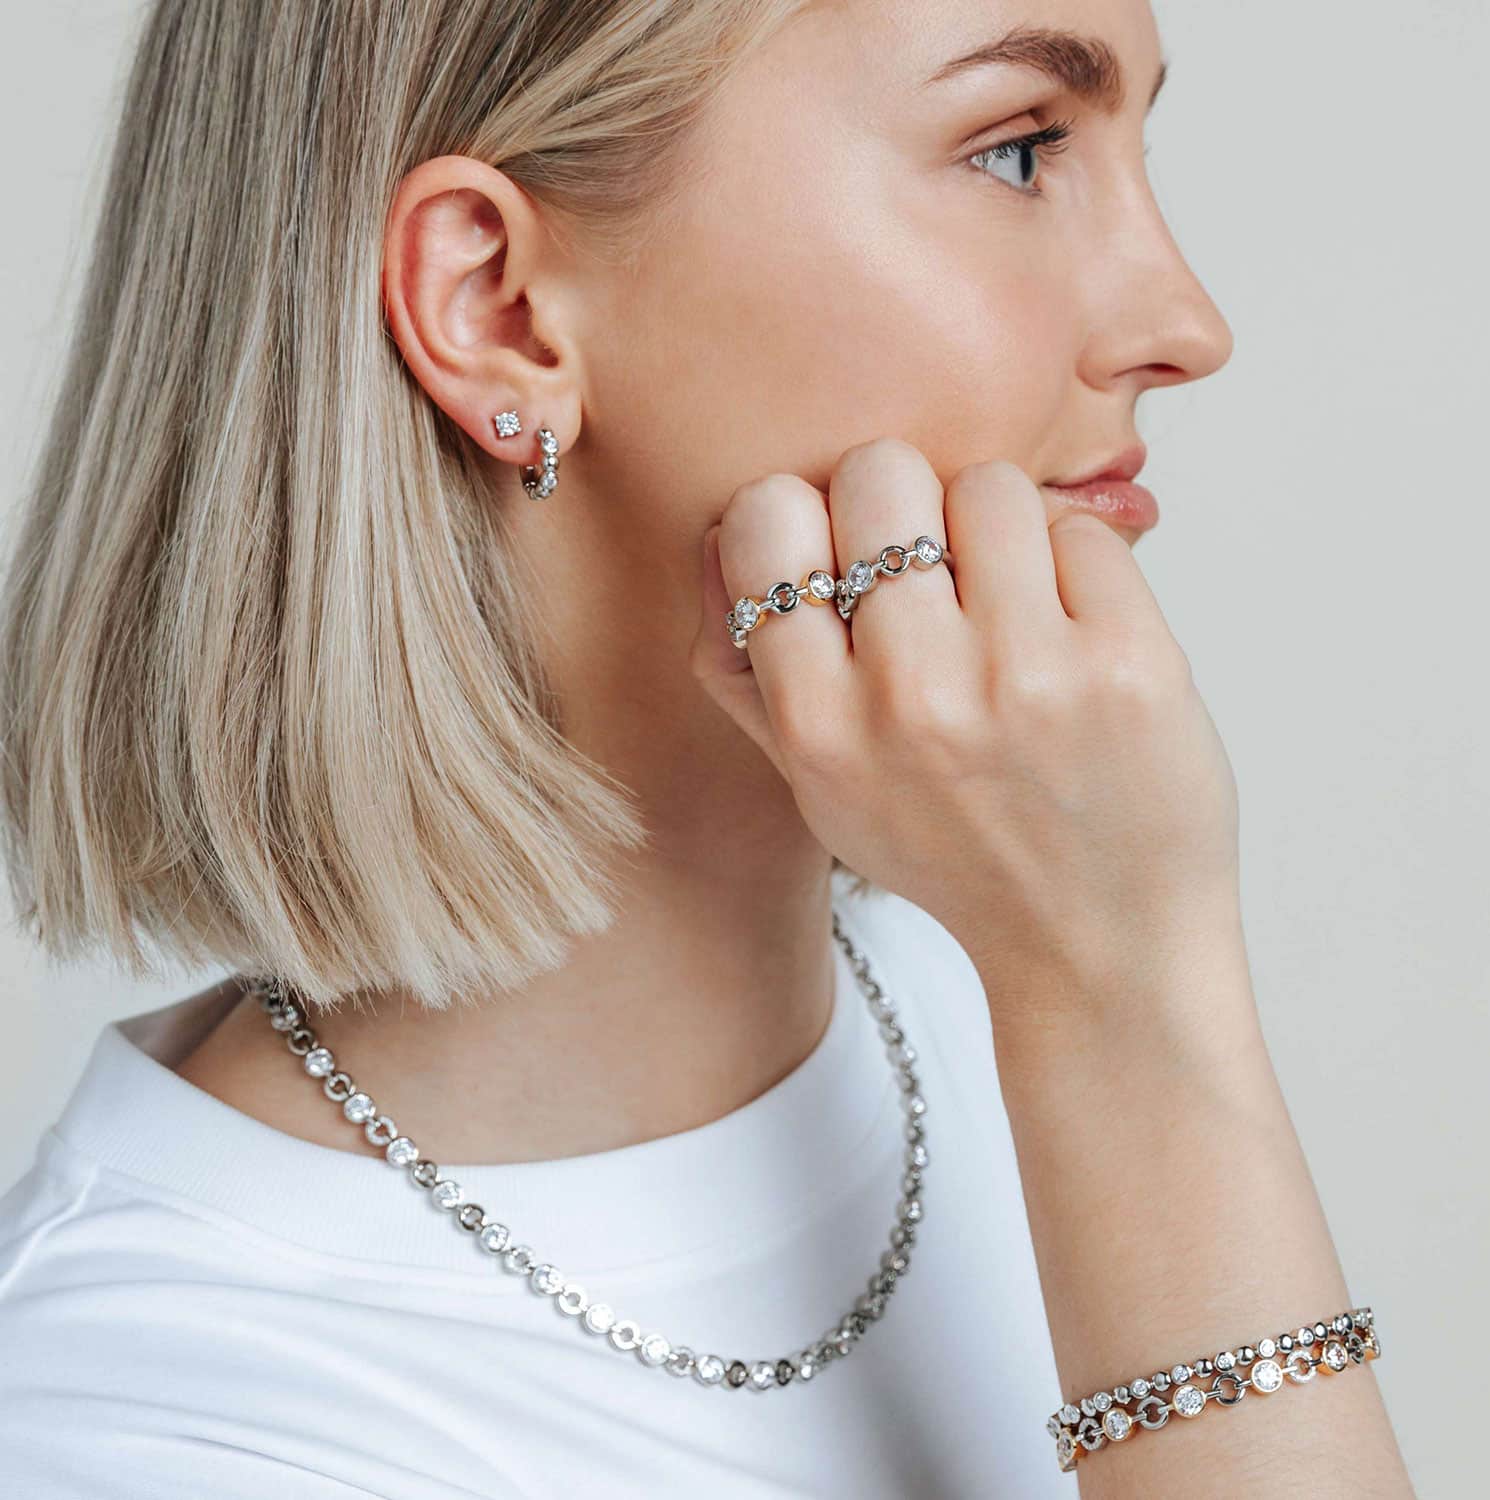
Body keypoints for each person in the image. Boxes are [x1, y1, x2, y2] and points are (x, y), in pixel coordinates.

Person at [0, 1, 1416, 1495]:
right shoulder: (154, 1434)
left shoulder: (991, 981)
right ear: (499, 312)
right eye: (1016, 151)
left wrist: (1107, 992)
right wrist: (1119, 1001)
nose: (1185, 324)